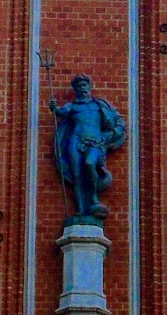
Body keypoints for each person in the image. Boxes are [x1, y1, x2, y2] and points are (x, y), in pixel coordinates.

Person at [49, 74, 126, 222]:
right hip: (76, 141)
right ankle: (81, 209)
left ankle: (93, 197)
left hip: (95, 141)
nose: (82, 88)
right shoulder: (73, 106)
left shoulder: (99, 105)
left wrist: (108, 136)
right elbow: (61, 111)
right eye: (79, 86)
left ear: (89, 87)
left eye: (84, 85)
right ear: (76, 90)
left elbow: (116, 122)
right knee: (77, 174)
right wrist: (54, 107)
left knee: (90, 163)